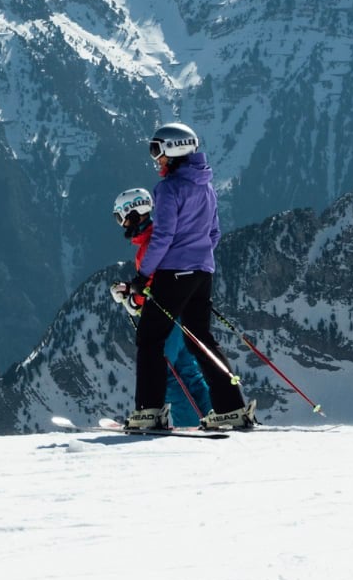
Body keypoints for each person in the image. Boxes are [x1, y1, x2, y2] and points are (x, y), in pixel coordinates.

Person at [108, 122, 256, 431]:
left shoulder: (169, 188)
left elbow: (163, 237)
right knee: (200, 338)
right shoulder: (206, 186)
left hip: (174, 273)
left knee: (150, 337)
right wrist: (197, 257)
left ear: (174, 150)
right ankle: (232, 408)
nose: (156, 159)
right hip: (202, 273)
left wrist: (142, 276)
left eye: (158, 151)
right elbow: (214, 233)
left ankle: (148, 412)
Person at [109, 184, 212, 424]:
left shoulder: (149, 247)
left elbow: (154, 287)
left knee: (165, 374)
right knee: (188, 372)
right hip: (183, 313)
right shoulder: (159, 239)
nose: (122, 225)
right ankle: (211, 416)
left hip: (167, 317)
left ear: (134, 214)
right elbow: (157, 281)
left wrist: (133, 301)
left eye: (121, 218)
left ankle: (189, 427)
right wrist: (131, 290)